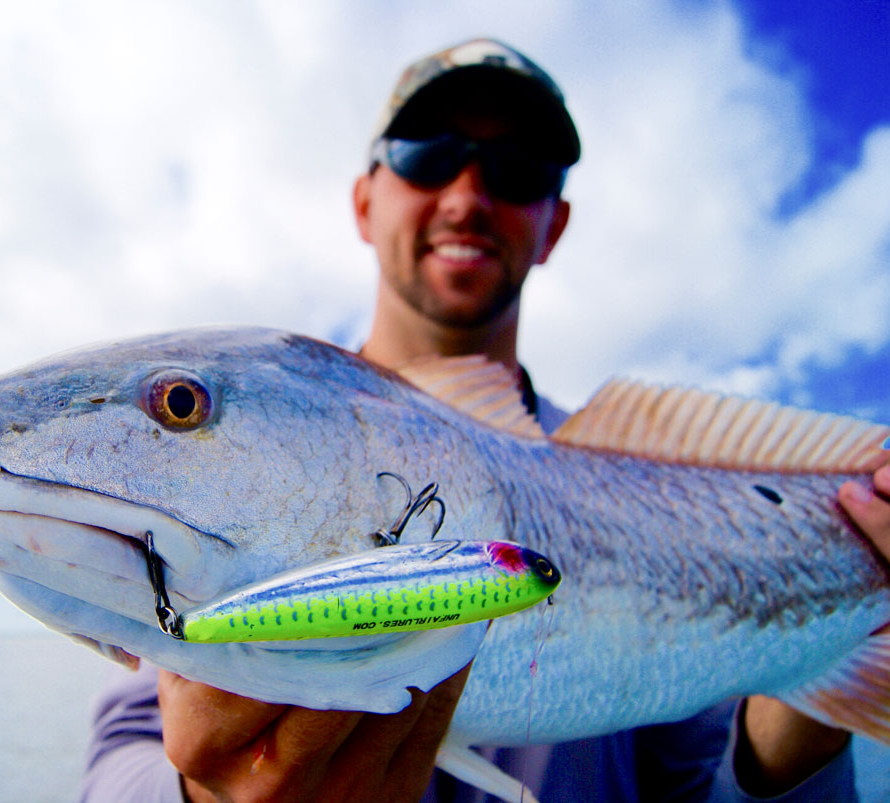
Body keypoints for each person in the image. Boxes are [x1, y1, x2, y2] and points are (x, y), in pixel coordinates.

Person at [80, 38, 890, 802]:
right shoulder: (237, 476)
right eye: (426, 156)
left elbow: (690, 780)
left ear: (554, 225)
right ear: (365, 202)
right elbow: (122, 754)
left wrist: (821, 686)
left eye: (516, 170)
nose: (468, 197)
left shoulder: (647, 477)